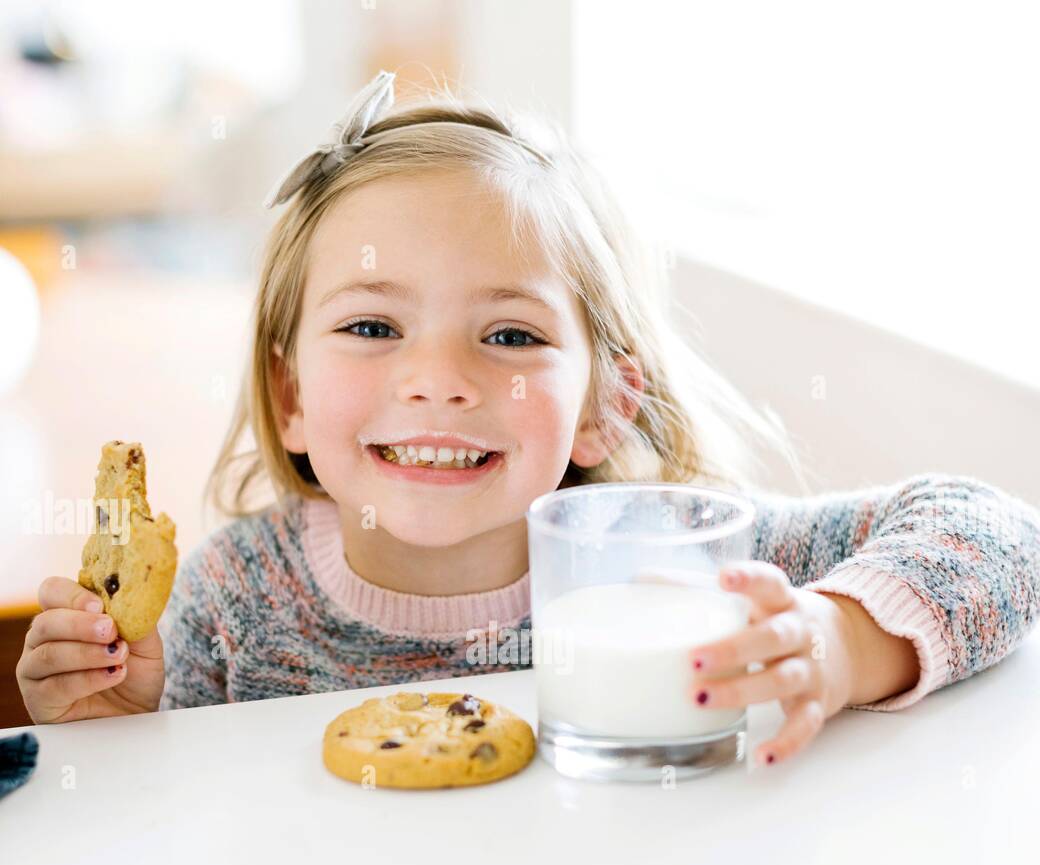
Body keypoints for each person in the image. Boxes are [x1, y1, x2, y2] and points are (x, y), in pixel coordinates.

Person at [17, 72, 1040, 767]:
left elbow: (996, 535)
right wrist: (115, 733)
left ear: (603, 406)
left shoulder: (671, 563)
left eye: (506, 336)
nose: (438, 380)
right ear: (287, 396)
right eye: (373, 324)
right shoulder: (235, 598)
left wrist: (837, 636)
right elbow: (193, 842)